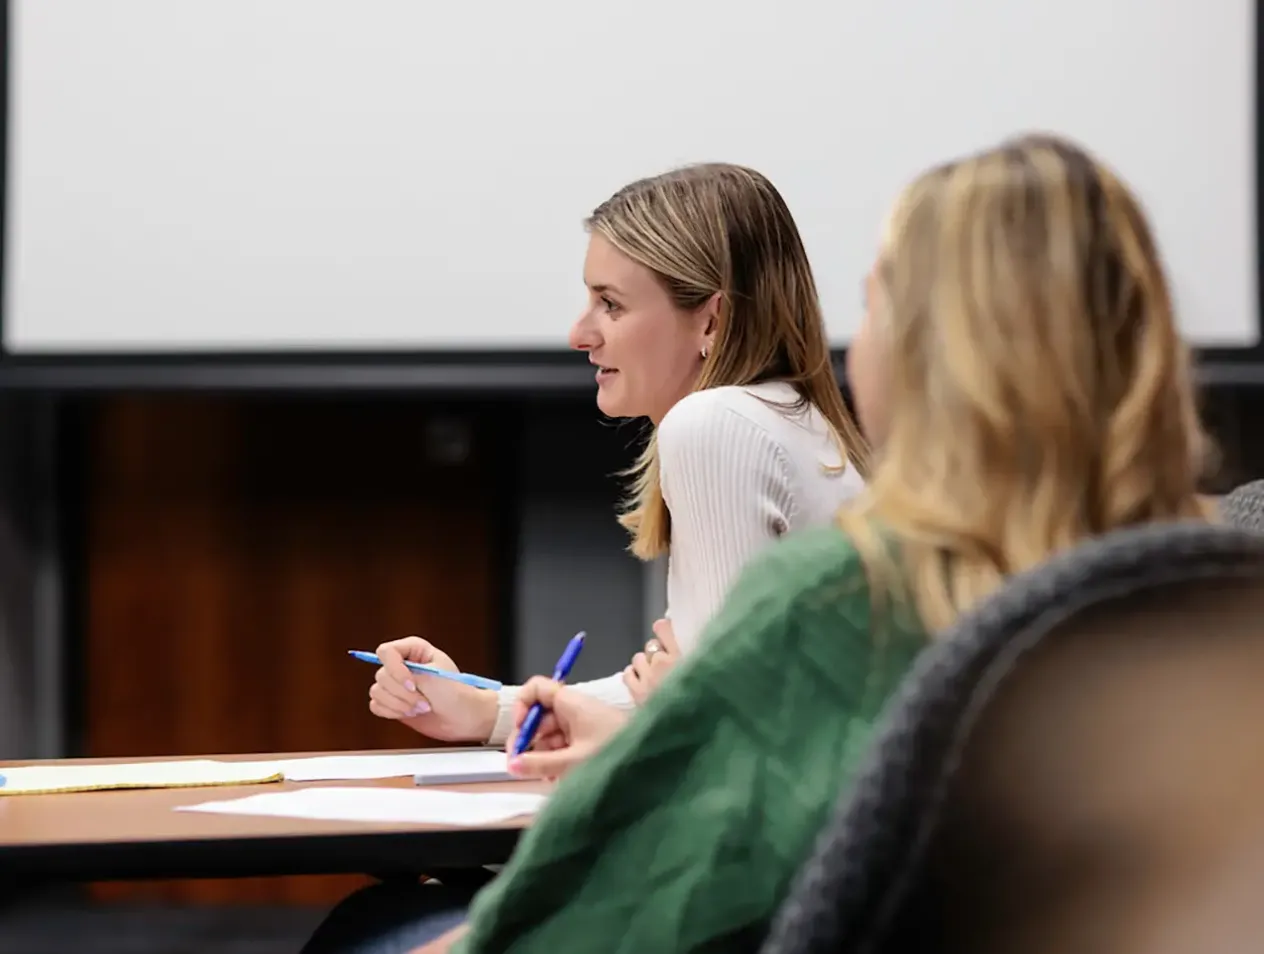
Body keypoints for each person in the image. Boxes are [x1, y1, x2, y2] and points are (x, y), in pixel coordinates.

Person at [305, 133, 1214, 954]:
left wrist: (643, 756)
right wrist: (509, 712)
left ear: (944, 349)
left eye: (878, 303)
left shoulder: (842, 571)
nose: (581, 333)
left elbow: (721, 851)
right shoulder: (1194, 580)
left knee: (376, 929)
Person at [364, 163, 869, 750]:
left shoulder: (714, 425)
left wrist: (670, 705)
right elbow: (693, 689)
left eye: (611, 304)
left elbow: (717, 729)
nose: (580, 333)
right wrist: (487, 711)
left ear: (711, 318)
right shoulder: (789, 417)